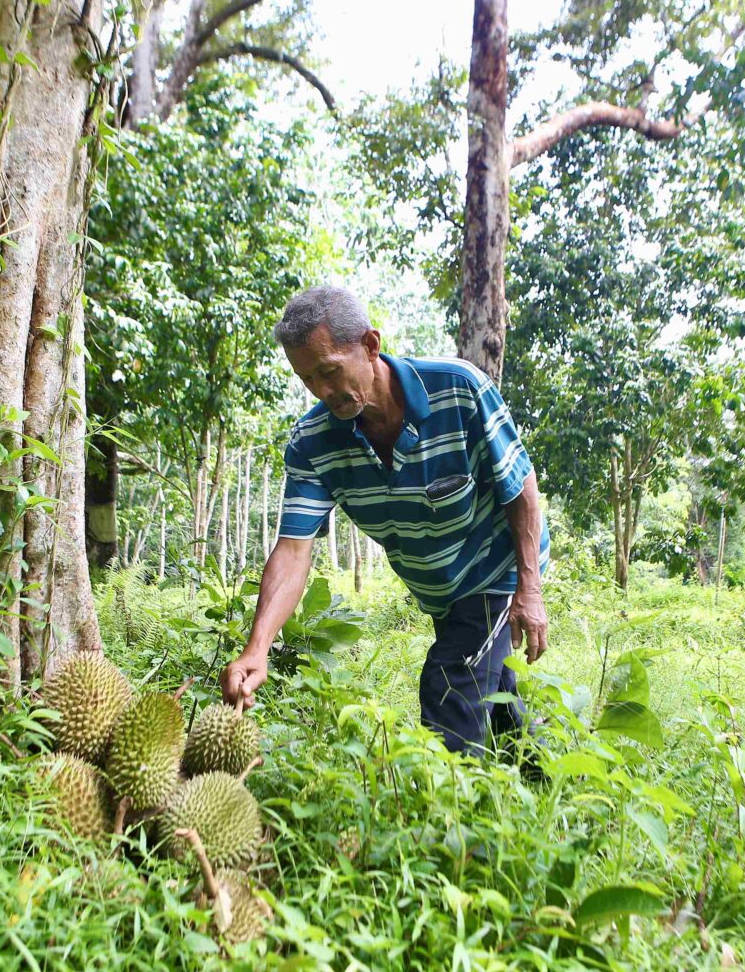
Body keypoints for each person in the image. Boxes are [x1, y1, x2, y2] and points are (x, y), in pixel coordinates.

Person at [219, 285, 550, 758]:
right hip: (440, 588)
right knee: (491, 691)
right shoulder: (313, 442)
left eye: (330, 371)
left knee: (452, 685)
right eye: (308, 379)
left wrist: (529, 589)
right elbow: (293, 552)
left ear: (371, 346)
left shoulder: (458, 389)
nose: (323, 391)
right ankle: (546, 784)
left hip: (495, 568)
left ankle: (453, 818)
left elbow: (521, 489)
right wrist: (258, 648)